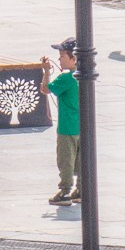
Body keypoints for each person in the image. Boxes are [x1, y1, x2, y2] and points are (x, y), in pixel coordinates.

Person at [43, 39, 81, 205]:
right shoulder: (83, 76)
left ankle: (65, 192)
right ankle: (81, 190)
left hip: (67, 127)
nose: (59, 59)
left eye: (62, 56)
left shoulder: (66, 78)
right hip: (82, 126)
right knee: (81, 160)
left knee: (66, 160)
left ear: (74, 58)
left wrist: (46, 71)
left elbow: (45, 89)